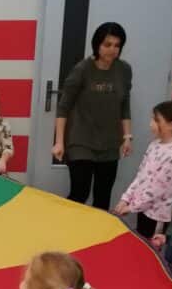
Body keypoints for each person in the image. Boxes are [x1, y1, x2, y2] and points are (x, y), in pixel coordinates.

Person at [52, 22, 133, 210]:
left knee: (103, 197)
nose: (112, 50)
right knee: (80, 193)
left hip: (109, 144)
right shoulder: (82, 69)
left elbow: (125, 105)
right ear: (97, 44)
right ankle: (64, 226)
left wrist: (127, 137)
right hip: (81, 141)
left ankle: (96, 230)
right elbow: (63, 108)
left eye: (117, 45)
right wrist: (59, 142)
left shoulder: (124, 70)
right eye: (107, 44)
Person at [114, 100, 172, 239]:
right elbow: (141, 176)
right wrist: (126, 199)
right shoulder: (154, 145)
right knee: (140, 242)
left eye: (156, 120)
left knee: (150, 247)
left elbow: (156, 190)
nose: (151, 124)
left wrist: (132, 207)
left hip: (157, 215)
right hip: (143, 209)